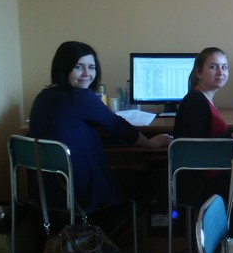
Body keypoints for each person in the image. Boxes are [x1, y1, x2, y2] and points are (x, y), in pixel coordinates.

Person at [29, 41, 171, 211]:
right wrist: (150, 143)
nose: (87, 73)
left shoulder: (42, 97)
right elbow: (117, 126)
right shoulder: (81, 97)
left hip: (49, 192)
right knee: (152, 180)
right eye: (78, 67)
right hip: (81, 192)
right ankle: (116, 224)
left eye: (91, 67)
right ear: (63, 67)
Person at [174, 47, 233, 146]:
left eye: (224, 67)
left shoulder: (202, 98)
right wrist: (231, 137)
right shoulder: (195, 101)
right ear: (198, 72)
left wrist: (231, 135)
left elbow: (207, 135)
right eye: (213, 67)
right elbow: (195, 145)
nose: (220, 73)